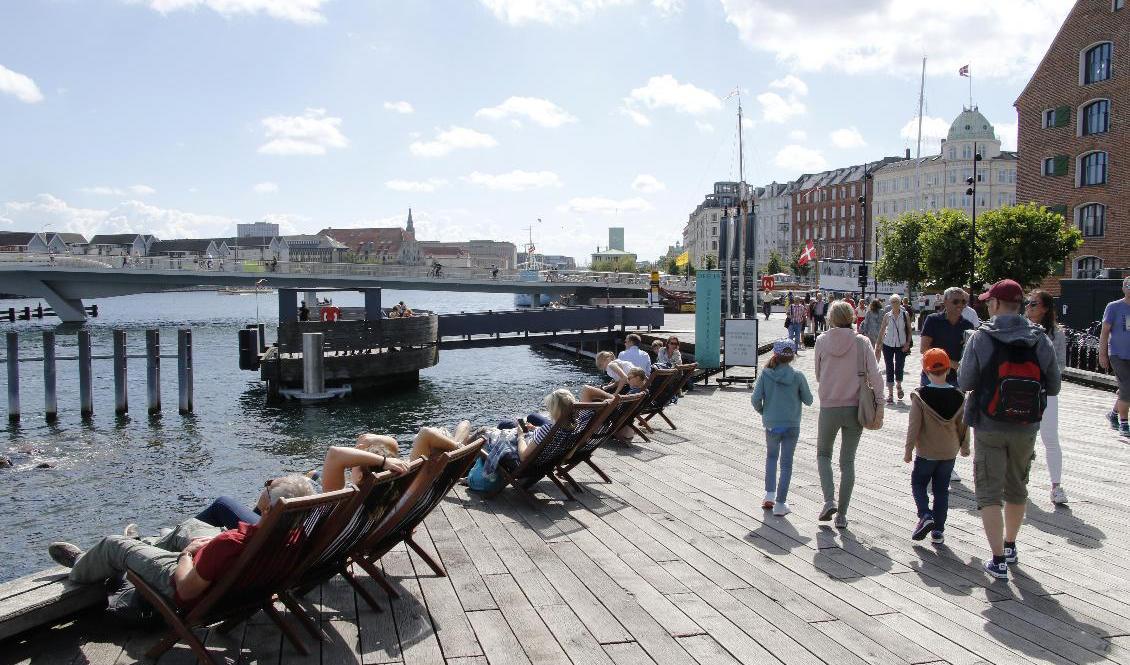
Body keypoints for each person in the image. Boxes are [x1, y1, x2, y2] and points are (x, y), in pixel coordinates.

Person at [48, 475, 316, 612]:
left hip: (181, 582)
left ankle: (83, 563)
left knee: (112, 544)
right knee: (188, 527)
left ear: (269, 509)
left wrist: (187, 555)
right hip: (237, 584)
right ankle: (143, 544)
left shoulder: (232, 543)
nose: (265, 485)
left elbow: (186, 591)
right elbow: (234, 545)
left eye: (269, 486)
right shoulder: (293, 535)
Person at [958, 279, 1061, 579]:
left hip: (989, 423)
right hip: (1026, 425)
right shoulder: (1040, 339)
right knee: (1017, 487)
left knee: (989, 492)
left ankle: (998, 559)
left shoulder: (981, 337)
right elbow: (1053, 384)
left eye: (990, 301)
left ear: (998, 305)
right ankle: (1011, 545)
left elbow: (965, 382)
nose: (987, 304)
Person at [814, 301, 884, 528]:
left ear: (831, 318)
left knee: (823, 455)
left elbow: (817, 373)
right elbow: (875, 376)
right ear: (852, 317)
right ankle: (842, 515)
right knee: (848, 462)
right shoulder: (862, 342)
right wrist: (881, 403)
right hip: (856, 408)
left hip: (829, 406)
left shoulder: (822, 341)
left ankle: (828, 500)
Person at [905, 349, 970, 545]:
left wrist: (908, 450)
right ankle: (939, 532)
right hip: (949, 452)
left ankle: (925, 514)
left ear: (926, 371)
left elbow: (914, 426)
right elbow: (964, 425)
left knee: (918, 483)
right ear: (949, 369)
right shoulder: (959, 396)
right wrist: (965, 447)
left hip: (926, 452)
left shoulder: (920, 396)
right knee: (942, 490)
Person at [752, 339, 813, 517]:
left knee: (771, 457)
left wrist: (765, 412)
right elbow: (809, 400)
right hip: (791, 424)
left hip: (772, 424)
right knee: (786, 464)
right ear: (792, 356)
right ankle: (780, 504)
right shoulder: (798, 375)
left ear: (775, 355)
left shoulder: (765, 374)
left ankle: (769, 494)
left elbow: (755, 400)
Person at [1025, 289, 1068, 504]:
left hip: (1046, 390)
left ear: (1045, 308)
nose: (1028, 307)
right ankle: (1020, 480)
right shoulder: (1020, 329)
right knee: (1024, 438)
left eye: (1033, 304)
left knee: (1050, 438)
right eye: (1027, 303)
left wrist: (1044, 375)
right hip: (1023, 391)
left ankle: (1056, 486)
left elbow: (1060, 364)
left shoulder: (1056, 334)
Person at [919, 287, 975, 386]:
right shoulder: (932, 320)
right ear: (945, 302)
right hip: (932, 376)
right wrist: (951, 364)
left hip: (956, 379)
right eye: (956, 301)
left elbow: (970, 353)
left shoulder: (968, 325)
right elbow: (924, 349)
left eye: (963, 302)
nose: (960, 305)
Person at [1099, 276, 1130, 438]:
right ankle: (1124, 423)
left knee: (1126, 388)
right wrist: (1102, 354)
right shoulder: (1114, 307)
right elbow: (1105, 332)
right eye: (1128, 285)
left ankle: (1113, 413)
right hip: (1118, 354)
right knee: (1127, 387)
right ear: (1123, 288)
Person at [875, 294, 913, 403]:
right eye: (893, 302)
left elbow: (909, 331)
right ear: (890, 303)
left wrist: (907, 343)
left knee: (899, 365)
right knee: (889, 367)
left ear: (900, 302)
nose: (894, 304)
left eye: (896, 301)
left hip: (901, 344)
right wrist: (878, 343)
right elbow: (882, 330)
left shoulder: (905, 314)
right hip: (888, 344)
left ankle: (899, 385)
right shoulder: (887, 315)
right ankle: (890, 393)